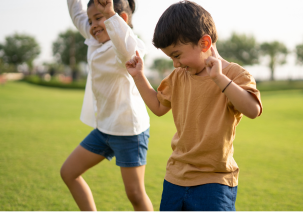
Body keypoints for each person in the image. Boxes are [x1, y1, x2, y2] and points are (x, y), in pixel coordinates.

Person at [125, 0, 263, 211]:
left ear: (204, 44)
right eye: (171, 57)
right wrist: (138, 76)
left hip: (214, 182)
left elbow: (253, 110)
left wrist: (219, 78)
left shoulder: (234, 75)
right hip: (175, 177)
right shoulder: (179, 76)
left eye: (177, 55)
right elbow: (158, 107)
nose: (176, 63)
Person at [61, 0, 153, 211]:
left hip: (129, 131)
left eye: (98, 18)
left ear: (121, 20)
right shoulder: (95, 39)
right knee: (68, 172)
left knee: (135, 194)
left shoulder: (127, 44)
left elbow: (128, 50)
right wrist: (98, 17)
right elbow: (77, 14)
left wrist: (109, 12)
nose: (92, 25)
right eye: (91, 19)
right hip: (104, 129)